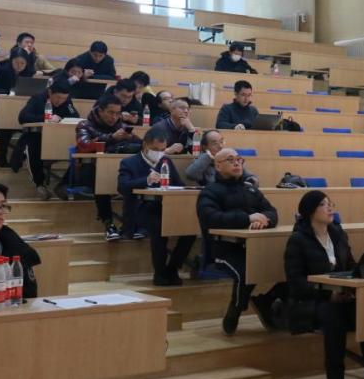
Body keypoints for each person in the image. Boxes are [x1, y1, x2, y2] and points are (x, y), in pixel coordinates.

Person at [284, 190, 364, 379]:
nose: (330, 208)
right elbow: (296, 283)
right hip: (312, 301)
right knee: (334, 315)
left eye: (331, 204)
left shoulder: (338, 234)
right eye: (323, 204)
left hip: (342, 297)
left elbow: (351, 266)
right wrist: (329, 296)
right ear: (310, 211)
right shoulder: (298, 240)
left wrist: (355, 284)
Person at [196, 148, 282, 335]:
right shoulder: (209, 192)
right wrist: (248, 219)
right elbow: (212, 218)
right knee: (247, 270)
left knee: (286, 265)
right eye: (230, 160)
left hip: (253, 246)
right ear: (218, 166)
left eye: (239, 159)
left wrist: (264, 220)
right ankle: (235, 308)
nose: (237, 163)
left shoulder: (250, 189)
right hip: (223, 249)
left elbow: (272, 212)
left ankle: (265, 301)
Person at [117, 126, 196, 285]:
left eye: (162, 149)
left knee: (190, 229)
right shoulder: (129, 163)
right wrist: (146, 180)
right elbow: (123, 187)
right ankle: (159, 273)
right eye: (155, 149)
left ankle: (172, 268)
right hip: (141, 208)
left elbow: (179, 184)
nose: (159, 153)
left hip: (166, 207)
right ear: (145, 145)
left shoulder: (165, 161)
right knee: (159, 227)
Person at [73, 96, 141, 240]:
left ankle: (132, 225)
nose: (114, 117)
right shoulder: (84, 125)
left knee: (135, 179)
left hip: (117, 169)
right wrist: (111, 138)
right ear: (100, 111)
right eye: (111, 112)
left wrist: (131, 138)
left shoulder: (120, 126)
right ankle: (109, 224)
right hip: (89, 169)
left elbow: (141, 144)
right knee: (101, 180)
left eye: (117, 113)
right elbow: (84, 146)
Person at [12, 78, 79, 200]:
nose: (60, 101)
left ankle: (65, 185)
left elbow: (75, 116)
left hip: (57, 138)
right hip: (35, 136)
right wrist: (45, 118)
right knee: (34, 146)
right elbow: (23, 117)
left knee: (78, 149)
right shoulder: (37, 99)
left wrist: (61, 117)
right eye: (58, 97)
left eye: (64, 98)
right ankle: (39, 184)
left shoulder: (67, 101)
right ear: (50, 92)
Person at [186, 129, 259, 186]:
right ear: (205, 147)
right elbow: (191, 174)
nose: (220, 146)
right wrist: (207, 156)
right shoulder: (203, 161)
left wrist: (249, 183)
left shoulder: (231, 158)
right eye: (215, 143)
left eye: (221, 142)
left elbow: (253, 178)